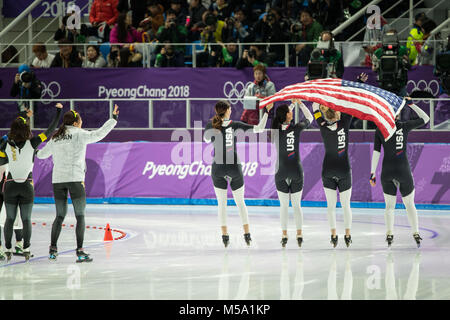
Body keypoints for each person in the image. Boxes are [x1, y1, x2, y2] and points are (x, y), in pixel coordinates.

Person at [36, 105, 119, 262]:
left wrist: (33, 149)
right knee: (80, 216)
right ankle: (80, 251)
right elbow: (99, 134)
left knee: (59, 215)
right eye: (80, 121)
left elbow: (41, 155)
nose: (81, 123)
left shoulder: (55, 137)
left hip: (58, 180)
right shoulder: (80, 134)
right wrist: (113, 119)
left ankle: (52, 250)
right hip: (75, 180)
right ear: (75, 123)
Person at [203, 100, 273, 248]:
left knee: (222, 204)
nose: (231, 110)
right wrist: (267, 111)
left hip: (218, 168)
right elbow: (260, 129)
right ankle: (247, 234)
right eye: (229, 108)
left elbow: (206, 139)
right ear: (227, 111)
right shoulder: (235, 125)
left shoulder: (211, 125)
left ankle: (224, 236)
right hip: (234, 167)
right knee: (240, 202)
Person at [0, 103, 62, 261]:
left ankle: (7, 248)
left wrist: (22, 119)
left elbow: (1, 157)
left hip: (11, 185)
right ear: (27, 129)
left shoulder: (5, 144)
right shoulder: (33, 142)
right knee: (26, 219)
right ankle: (26, 248)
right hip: (27, 186)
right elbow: (49, 131)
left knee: (9, 219)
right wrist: (58, 112)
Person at [370, 102, 429, 248]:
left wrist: (372, 173)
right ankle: (415, 232)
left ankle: (389, 234)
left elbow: (376, 152)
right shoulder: (404, 126)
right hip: (403, 170)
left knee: (389, 207)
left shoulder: (380, 129)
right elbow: (426, 118)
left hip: (387, 171)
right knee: (409, 205)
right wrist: (412, 104)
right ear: (397, 114)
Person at [271, 99, 313, 247]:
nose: (291, 113)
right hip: (296, 171)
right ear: (288, 116)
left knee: (283, 206)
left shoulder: (275, 130)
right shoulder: (296, 129)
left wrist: (291, 105)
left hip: (280, 171)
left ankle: (284, 235)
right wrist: (299, 104)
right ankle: (299, 233)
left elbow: (280, 116)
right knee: (296, 206)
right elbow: (310, 118)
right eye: (290, 112)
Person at [312, 103, 353, 248]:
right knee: (346, 205)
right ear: (337, 114)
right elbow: (351, 103)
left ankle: (333, 235)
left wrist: (317, 95)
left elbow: (315, 108)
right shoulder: (345, 123)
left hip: (328, 170)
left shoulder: (322, 126)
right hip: (343, 170)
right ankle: (347, 235)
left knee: (331, 207)